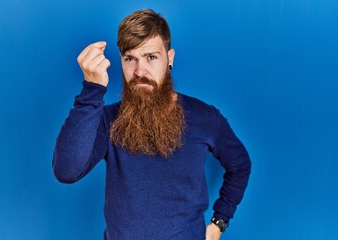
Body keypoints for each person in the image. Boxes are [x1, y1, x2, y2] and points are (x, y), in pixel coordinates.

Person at [53, 9, 251, 240]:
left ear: (170, 58)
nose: (139, 71)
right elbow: (66, 171)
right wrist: (92, 89)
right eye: (130, 58)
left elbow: (240, 165)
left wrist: (219, 222)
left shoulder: (205, 118)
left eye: (151, 57)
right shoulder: (108, 119)